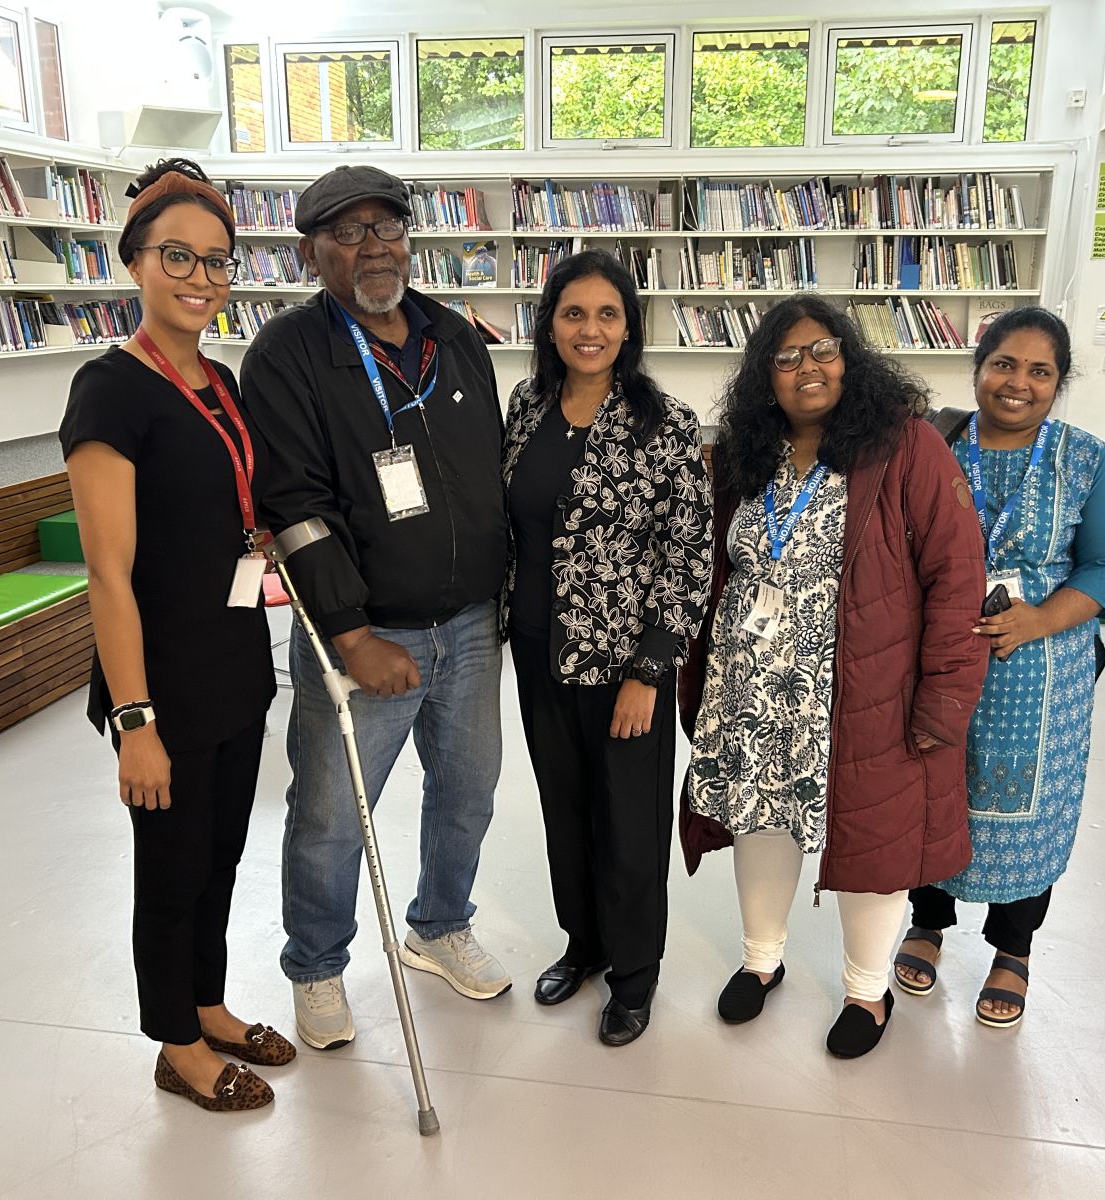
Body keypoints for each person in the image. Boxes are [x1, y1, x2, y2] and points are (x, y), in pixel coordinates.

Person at [238, 165, 511, 1052]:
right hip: (368, 633)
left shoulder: (455, 338)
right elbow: (295, 507)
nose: (372, 247)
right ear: (311, 252)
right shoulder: (287, 354)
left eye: (385, 228)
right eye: (347, 234)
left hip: (471, 623)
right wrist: (352, 634)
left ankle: (438, 926)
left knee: (467, 792)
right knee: (329, 813)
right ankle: (316, 968)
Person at [679, 294, 988, 1060]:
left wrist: (946, 691)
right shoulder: (746, 450)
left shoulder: (907, 446)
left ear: (850, 359)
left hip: (863, 686)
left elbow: (957, 574)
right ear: (764, 377)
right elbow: (716, 564)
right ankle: (762, 959)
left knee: (874, 835)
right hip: (752, 684)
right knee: (760, 817)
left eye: (822, 350)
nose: (806, 368)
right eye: (785, 358)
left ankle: (865, 990)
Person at [61, 158, 286, 1112]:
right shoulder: (111, 390)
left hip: (235, 659)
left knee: (221, 854)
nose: (200, 279)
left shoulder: (221, 381)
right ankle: (175, 1043)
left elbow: (223, 511)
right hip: (166, 683)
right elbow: (108, 572)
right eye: (178, 258)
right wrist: (135, 718)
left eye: (218, 262)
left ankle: (206, 1002)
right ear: (137, 263)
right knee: (172, 864)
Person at [892, 307, 1105, 1028]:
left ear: (1058, 384)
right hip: (933, 662)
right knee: (931, 785)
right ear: (977, 368)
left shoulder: (1084, 460)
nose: (1018, 383)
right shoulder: (929, 448)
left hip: (1039, 671)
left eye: (1040, 371)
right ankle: (927, 922)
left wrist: (1037, 620)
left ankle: (1013, 950)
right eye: (1004, 364)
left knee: (1029, 806)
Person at [502, 250, 712, 1047]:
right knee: (566, 811)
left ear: (629, 327)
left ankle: (634, 975)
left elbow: (687, 557)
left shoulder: (665, 425)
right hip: (536, 652)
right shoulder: (527, 406)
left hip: (625, 666)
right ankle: (583, 945)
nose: (589, 331)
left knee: (628, 822)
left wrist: (650, 672)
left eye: (607, 315)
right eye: (573, 314)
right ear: (549, 324)